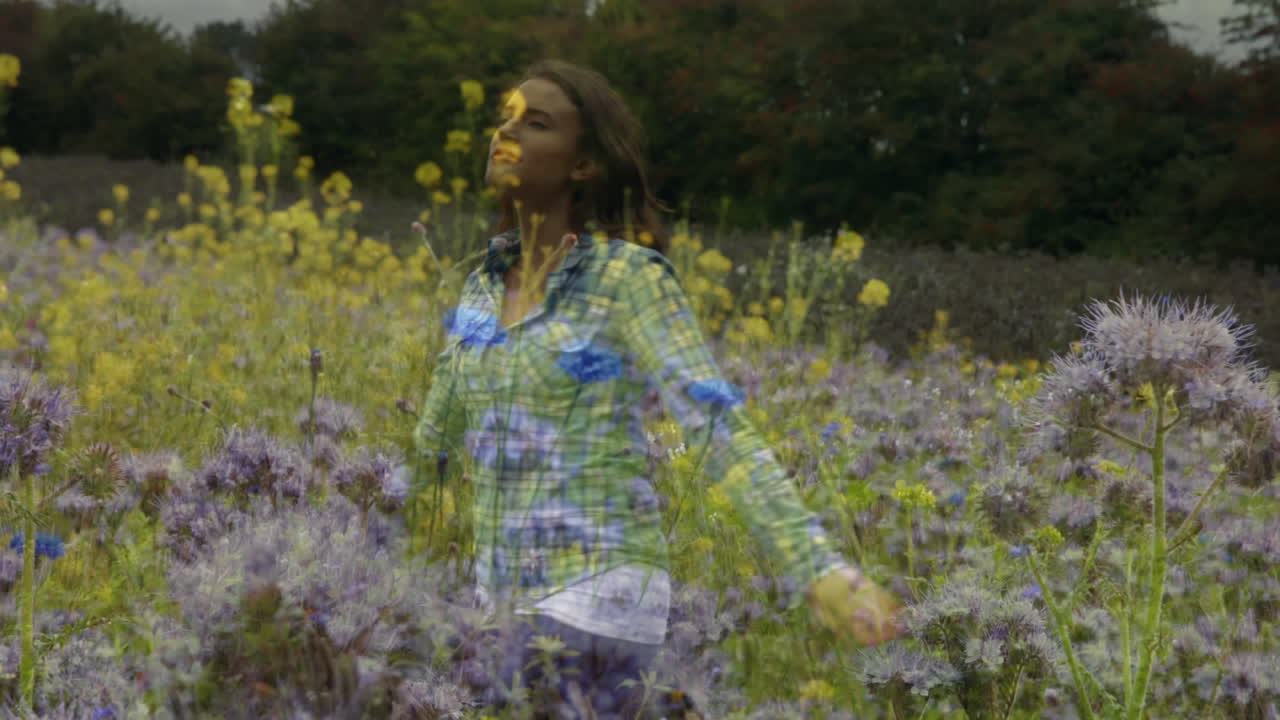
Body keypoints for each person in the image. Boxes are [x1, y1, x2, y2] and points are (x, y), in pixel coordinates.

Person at [414, 59, 901, 719]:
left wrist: (819, 568)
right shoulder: (479, 287)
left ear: (583, 165)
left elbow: (715, 424)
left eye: (537, 123)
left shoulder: (628, 278)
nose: (507, 132)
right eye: (506, 117)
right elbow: (436, 443)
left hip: (597, 595)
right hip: (499, 602)